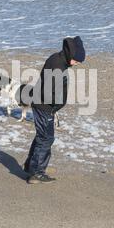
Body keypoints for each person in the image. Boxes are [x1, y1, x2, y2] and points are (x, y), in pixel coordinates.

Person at [24, 36, 86, 184]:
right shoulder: (58, 65)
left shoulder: (58, 59)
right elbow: (48, 92)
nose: (77, 64)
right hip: (44, 106)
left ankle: (30, 166)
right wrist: (55, 106)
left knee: (42, 136)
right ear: (71, 55)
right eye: (77, 61)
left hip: (43, 105)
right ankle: (36, 173)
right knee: (46, 138)